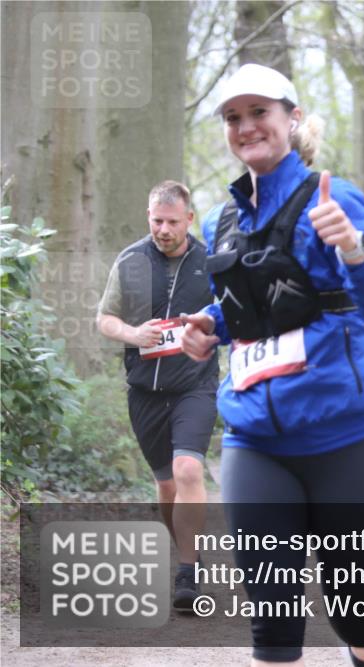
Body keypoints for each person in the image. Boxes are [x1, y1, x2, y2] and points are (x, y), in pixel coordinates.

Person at [179, 64, 364, 667]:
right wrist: (209, 325)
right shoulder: (220, 221)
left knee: (353, 608)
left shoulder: (335, 199)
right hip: (255, 439)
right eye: (234, 117)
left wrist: (353, 248)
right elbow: (250, 309)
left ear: (291, 118)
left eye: (260, 113)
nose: (246, 127)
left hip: (347, 438)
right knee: (272, 619)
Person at [96, 180, 219, 612]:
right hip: (145, 389)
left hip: (195, 386)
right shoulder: (130, 260)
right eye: (156, 220)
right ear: (148, 217)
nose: (163, 229)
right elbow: (105, 318)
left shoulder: (209, 261)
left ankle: (187, 571)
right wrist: (133, 333)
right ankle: (191, 550)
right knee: (166, 486)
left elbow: (234, 314)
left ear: (189, 219)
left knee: (188, 470)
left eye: (171, 221)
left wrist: (210, 332)